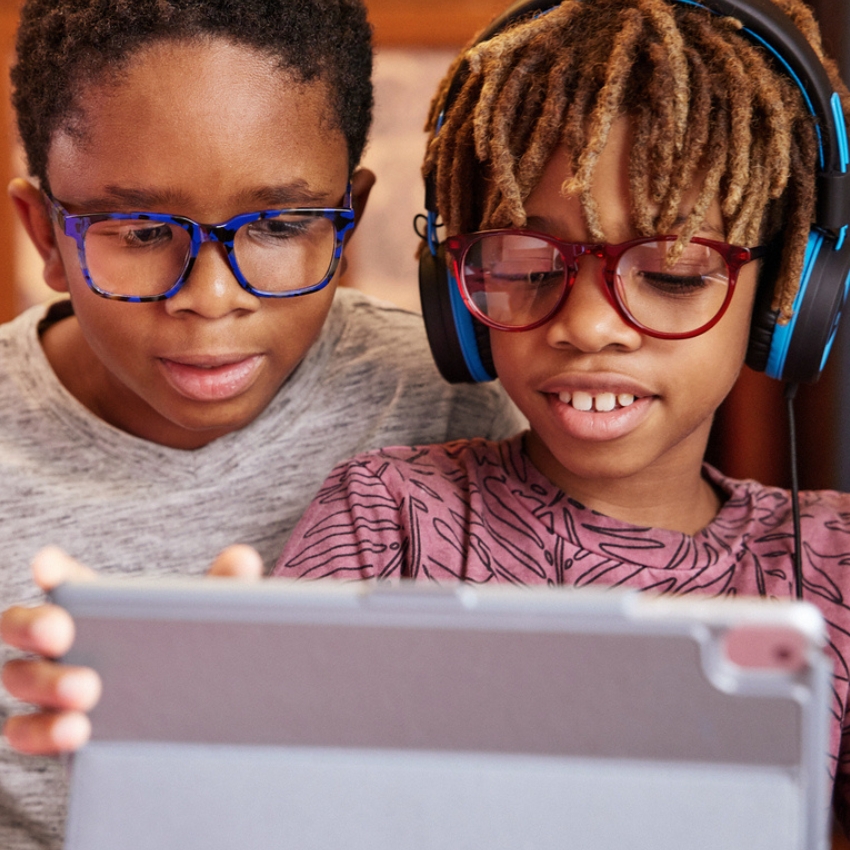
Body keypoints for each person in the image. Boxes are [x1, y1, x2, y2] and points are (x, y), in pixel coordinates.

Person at [270, 0, 850, 832]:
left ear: (791, 296)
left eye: (675, 271)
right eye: (525, 262)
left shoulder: (831, 565)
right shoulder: (387, 519)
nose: (585, 324)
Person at [0, 0, 522, 847]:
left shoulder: (451, 405)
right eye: (138, 230)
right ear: (46, 236)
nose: (209, 298)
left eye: (282, 225)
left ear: (348, 219)